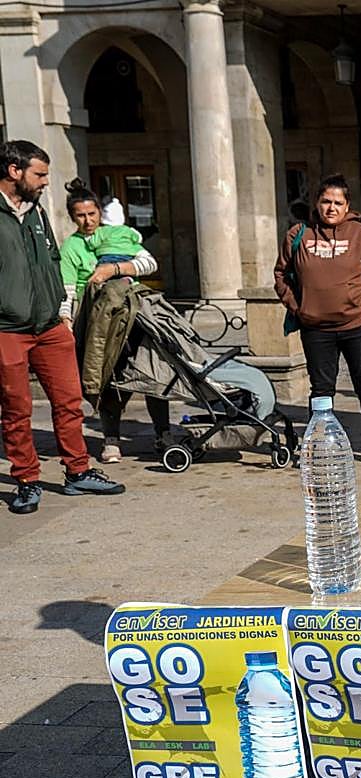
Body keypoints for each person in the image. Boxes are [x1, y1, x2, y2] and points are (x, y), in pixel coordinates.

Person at [0, 140, 125, 514]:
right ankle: (26, 479)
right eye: (38, 174)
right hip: (8, 328)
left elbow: (53, 260)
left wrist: (61, 311)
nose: (44, 183)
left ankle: (78, 471)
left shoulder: (36, 211)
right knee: (16, 409)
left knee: (70, 402)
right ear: (14, 171)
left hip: (50, 325)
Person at [274, 173, 361, 466]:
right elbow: (280, 274)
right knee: (321, 390)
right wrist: (297, 307)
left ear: (347, 205)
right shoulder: (298, 234)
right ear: (317, 203)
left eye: (338, 202)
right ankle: (318, 444)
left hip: (358, 326)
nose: (331, 207)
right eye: (326, 201)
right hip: (316, 329)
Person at [59, 181, 169, 463]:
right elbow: (67, 290)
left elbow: (149, 263)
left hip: (132, 313)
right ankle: (111, 439)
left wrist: (115, 268)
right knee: (108, 374)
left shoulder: (117, 235)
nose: (88, 221)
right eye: (81, 216)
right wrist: (67, 322)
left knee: (153, 369)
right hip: (98, 319)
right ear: (73, 217)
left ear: (99, 212)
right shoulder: (71, 246)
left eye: (92, 214)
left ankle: (163, 432)